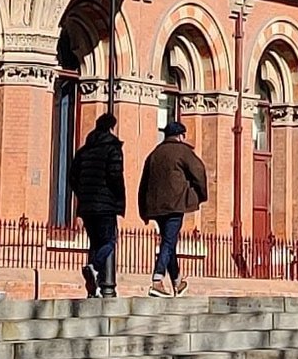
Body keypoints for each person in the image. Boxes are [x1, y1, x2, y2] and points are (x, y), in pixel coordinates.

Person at [138, 114, 210, 293]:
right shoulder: (183, 151)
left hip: (155, 206)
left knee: (168, 242)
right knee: (169, 241)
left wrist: (143, 210)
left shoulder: (154, 154)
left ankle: (177, 281)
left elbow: (143, 182)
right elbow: (199, 172)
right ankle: (157, 279)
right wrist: (201, 195)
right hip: (175, 204)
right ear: (180, 136)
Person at [68, 107, 125, 296]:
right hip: (105, 205)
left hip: (87, 205)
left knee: (94, 243)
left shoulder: (83, 151)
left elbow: (72, 177)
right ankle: (95, 267)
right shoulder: (112, 149)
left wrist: (83, 194)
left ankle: (96, 287)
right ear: (110, 129)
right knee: (109, 241)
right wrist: (117, 198)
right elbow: (115, 175)